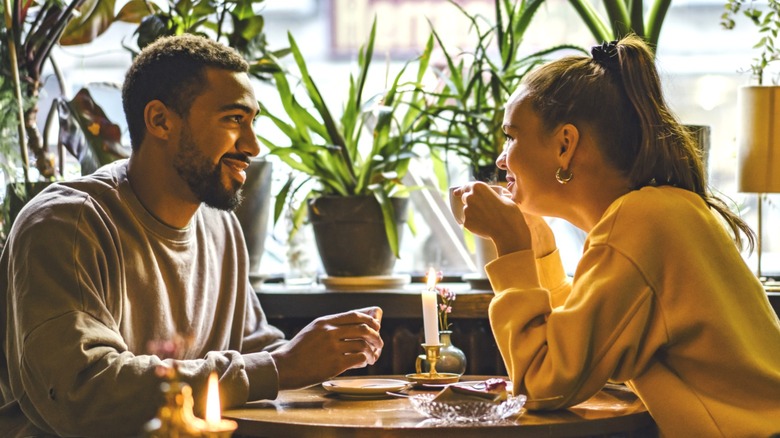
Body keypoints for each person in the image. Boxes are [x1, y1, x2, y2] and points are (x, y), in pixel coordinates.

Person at [0, 34, 384, 437]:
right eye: (234, 119)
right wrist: (281, 366)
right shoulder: (66, 225)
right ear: (160, 121)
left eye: (252, 122)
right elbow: (83, 392)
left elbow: (254, 356)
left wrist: (327, 359)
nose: (252, 146)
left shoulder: (221, 228)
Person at [453, 35, 780, 436]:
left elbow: (542, 386)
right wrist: (537, 247)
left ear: (565, 145)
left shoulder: (640, 220)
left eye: (511, 135)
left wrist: (511, 248)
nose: (501, 159)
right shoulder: (663, 209)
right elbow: (583, 349)